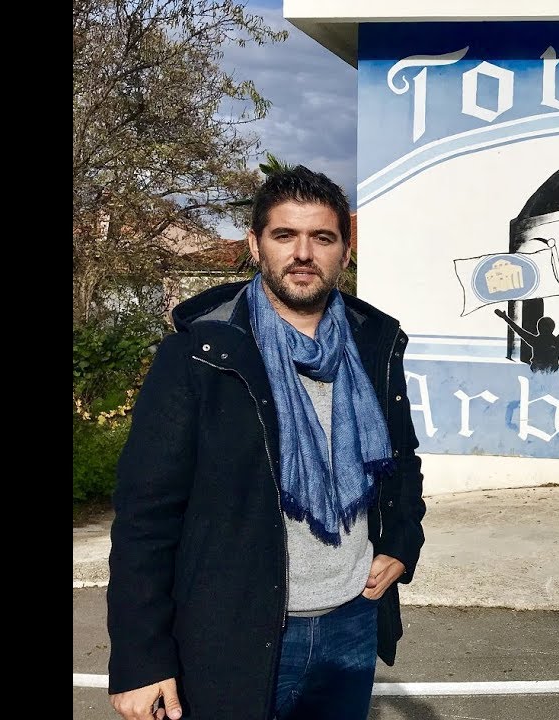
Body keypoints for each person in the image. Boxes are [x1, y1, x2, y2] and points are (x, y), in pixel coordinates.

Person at [107, 166, 426, 720]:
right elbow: (146, 516)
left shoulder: (373, 343)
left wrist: (401, 541)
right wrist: (141, 658)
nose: (303, 253)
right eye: (284, 235)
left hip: (351, 621)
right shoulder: (200, 354)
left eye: (322, 237)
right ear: (255, 245)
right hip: (234, 629)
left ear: (345, 252)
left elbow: (401, 459)